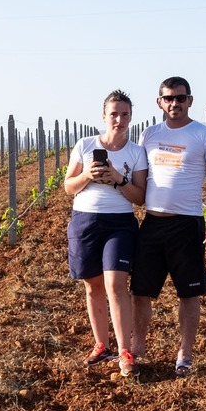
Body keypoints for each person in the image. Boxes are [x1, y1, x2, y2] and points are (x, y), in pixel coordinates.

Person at [129, 76, 206, 377]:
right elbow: (137, 177)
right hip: (152, 223)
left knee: (188, 293)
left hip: (187, 225)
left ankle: (185, 353)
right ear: (159, 102)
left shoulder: (204, 135)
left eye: (180, 98)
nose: (175, 103)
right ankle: (138, 346)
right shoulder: (148, 135)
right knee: (140, 290)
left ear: (190, 100)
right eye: (168, 98)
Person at [63, 89, 148, 374]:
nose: (119, 120)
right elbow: (68, 187)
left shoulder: (136, 152)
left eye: (125, 114)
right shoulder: (85, 145)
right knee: (93, 286)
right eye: (114, 114)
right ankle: (102, 345)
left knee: (115, 284)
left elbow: (139, 197)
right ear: (104, 116)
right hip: (85, 221)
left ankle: (126, 352)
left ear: (131, 118)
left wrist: (118, 179)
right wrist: (87, 175)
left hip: (120, 223)